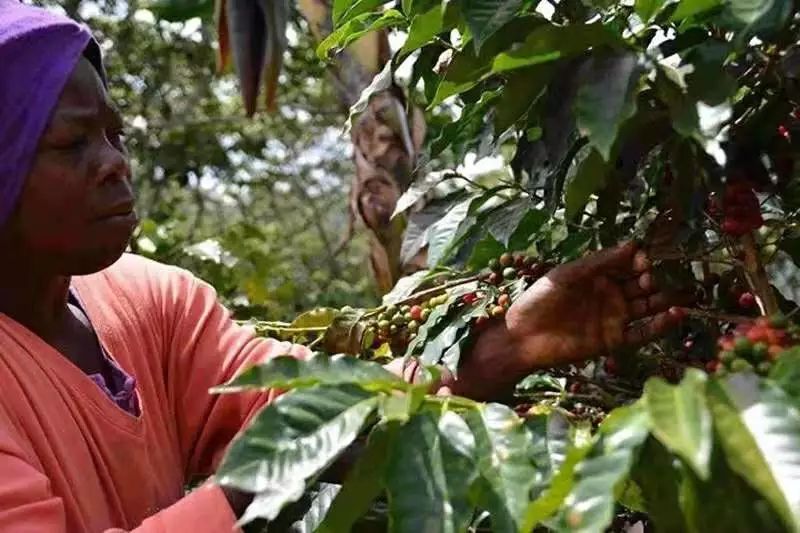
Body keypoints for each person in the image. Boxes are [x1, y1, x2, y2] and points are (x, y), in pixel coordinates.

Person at [0, 2, 685, 531]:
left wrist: (510, 344)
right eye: (72, 143)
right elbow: (300, 435)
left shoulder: (151, 300)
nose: (114, 163)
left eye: (115, 133)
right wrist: (271, 465)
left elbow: (313, 405)